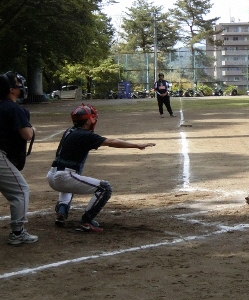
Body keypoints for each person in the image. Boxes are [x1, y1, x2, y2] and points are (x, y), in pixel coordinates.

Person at [47, 104, 156, 232]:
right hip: (64, 177)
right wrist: (137, 145)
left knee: (70, 183)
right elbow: (111, 142)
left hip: (52, 176)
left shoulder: (69, 131)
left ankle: (62, 210)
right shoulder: (85, 135)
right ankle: (87, 221)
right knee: (105, 188)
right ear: (88, 120)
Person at [0, 72, 38, 245]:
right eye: (17, 84)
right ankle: (18, 233)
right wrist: (32, 129)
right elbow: (27, 134)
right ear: (11, 90)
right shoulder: (13, 108)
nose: (20, 87)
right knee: (20, 191)